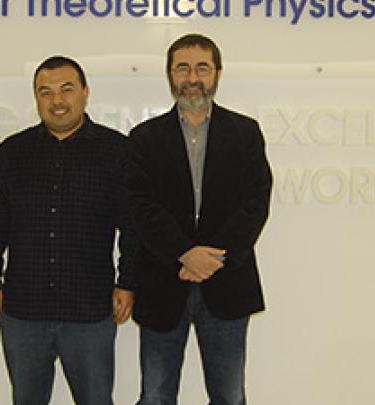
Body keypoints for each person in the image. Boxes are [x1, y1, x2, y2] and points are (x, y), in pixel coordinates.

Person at [0, 56, 136, 405]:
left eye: (66, 90)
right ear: (36, 99)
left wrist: (127, 281)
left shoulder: (116, 151)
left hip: (90, 310)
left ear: (85, 93)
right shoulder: (13, 153)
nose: (57, 101)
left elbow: (134, 225)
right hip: (23, 311)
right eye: (45, 92)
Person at [127, 33, 272, 405]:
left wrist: (213, 257)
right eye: (183, 68)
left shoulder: (245, 132)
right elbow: (140, 206)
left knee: (229, 396)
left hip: (226, 283)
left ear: (218, 74)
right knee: (155, 396)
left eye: (202, 68)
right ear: (170, 75)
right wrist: (184, 253)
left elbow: (255, 203)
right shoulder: (144, 138)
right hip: (163, 282)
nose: (193, 78)